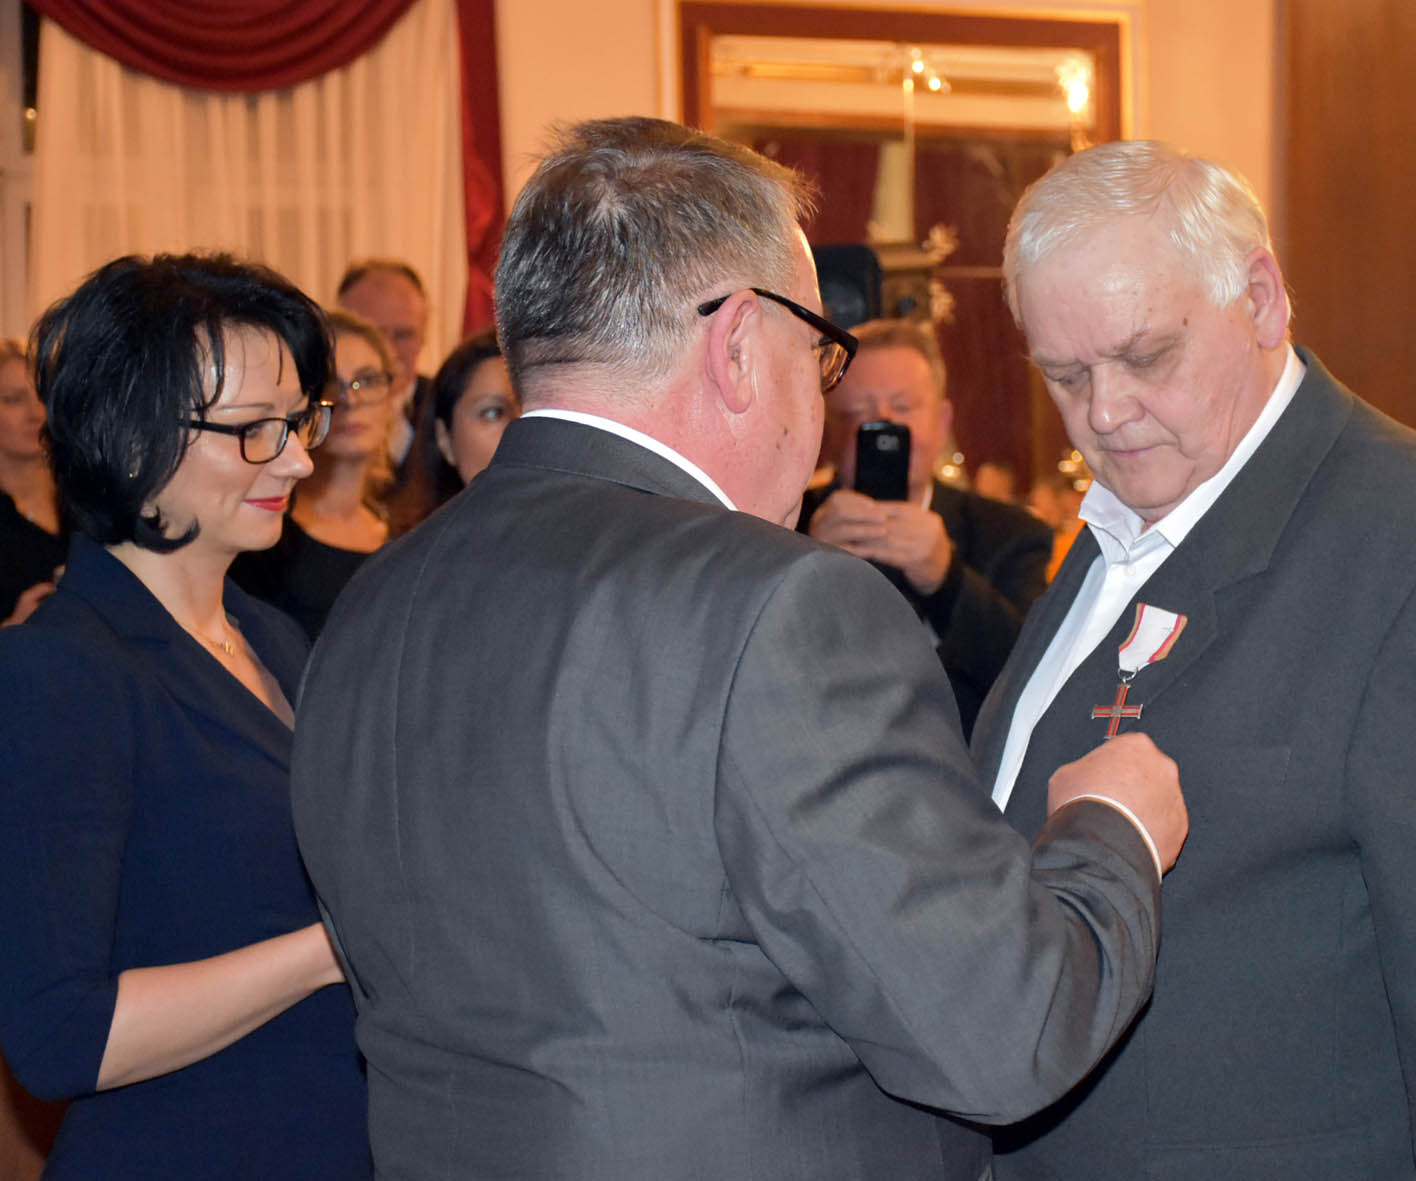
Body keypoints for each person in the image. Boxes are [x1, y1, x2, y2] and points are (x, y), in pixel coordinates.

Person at [291, 116, 1187, 1180]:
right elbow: (1005, 1029)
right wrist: (1111, 826)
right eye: (820, 354)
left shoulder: (374, 600)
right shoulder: (781, 604)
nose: (821, 404)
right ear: (738, 345)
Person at [977, 141, 1416, 1179]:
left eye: (1146, 356)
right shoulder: (1132, 514)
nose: (1103, 410)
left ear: (1261, 299)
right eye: (1065, 375)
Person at [0, 253, 368, 1178]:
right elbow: (59, 1034)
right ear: (132, 442)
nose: (298, 457)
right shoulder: (59, 671)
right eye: (254, 430)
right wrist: (328, 950)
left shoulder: (269, 635)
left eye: (299, 420)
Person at [804, 318, 1053, 735]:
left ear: (941, 422)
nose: (884, 428)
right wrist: (808, 567)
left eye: (902, 408)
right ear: (829, 427)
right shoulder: (788, 525)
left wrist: (948, 578)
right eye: (857, 413)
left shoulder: (1010, 535)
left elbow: (1034, 678)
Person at [230, 309, 396, 638]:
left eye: (367, 380)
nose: (350, 400)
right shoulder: (265, 535)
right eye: (331, 383)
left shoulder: (402, 529)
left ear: (392, 397)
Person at [386, 328, 513, 534]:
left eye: (535, 412)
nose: (521, 428)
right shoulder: (413, 550)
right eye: (493, 413)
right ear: (445, 438)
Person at [336, 258, 430, 471]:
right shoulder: (316, 414)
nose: (389, 352)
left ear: (423, 337)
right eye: (374, 335)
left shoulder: (450, 408)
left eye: (403, 335)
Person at [0, 339, 66, 625]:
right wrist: (11, 629)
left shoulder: (85, 497)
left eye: (42, 395)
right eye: (13, 400)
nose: (35, 413)